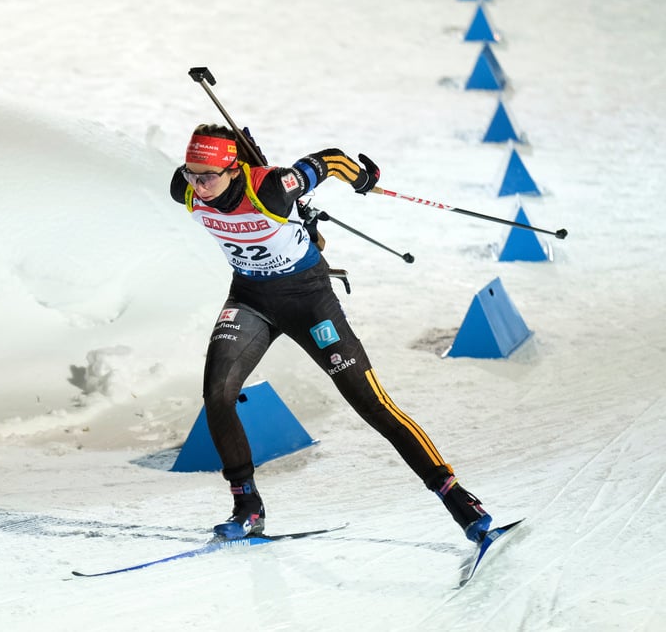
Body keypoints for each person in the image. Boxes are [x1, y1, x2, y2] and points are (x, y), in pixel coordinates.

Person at [169, 123, 493, 542]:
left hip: (308, 301)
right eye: (192, 175)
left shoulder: (271, 188)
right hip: (250, 299)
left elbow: (332, 159)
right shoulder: (184, 188)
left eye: (208, 177)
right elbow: (199, 183)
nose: (199, 187)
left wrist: (362, 179)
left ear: (234, 169)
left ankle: (459, 500)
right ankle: (247, 508)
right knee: (218, 394)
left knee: (371, 404)